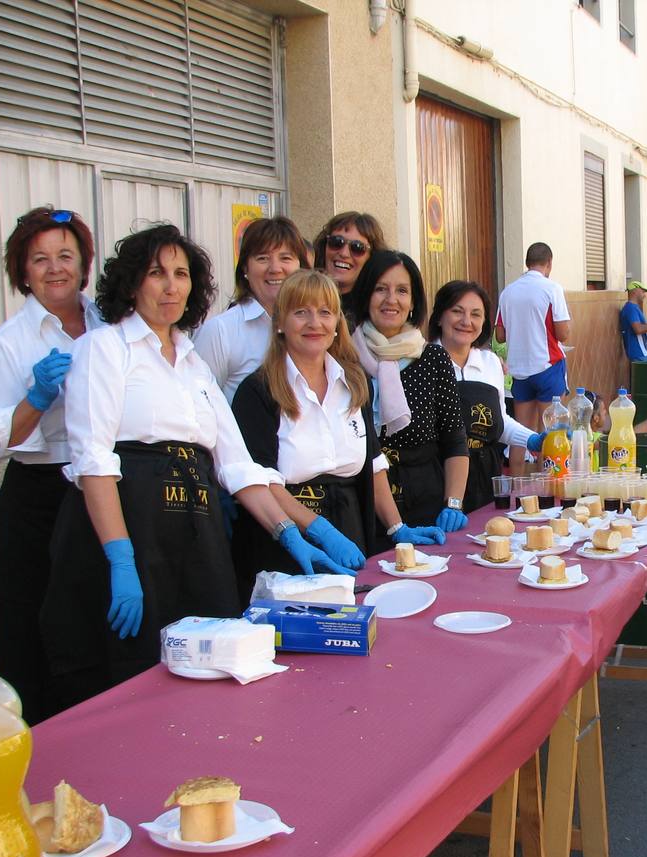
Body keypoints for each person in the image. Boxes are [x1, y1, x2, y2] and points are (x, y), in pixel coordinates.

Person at [41, 225, 346, 714]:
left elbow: (237, 466)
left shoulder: (193, 362)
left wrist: (296, 531)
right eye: (156, 273)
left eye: (181, 274)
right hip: (125, 530)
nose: (170, 286)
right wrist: (121, 562)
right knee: (127, 676)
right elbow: (93, 463)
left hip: (194, 534)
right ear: (132, 283)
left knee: (208, 670)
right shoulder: (104, 349)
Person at [231, 270, 444, 602]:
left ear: (336, 325)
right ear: (280, 323)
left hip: (350, 528)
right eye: (301, 312)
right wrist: (320, 531)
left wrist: (396, 528)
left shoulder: (354, 383)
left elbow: (373, 463)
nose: (314, 322)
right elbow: (262, 482)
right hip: (286, 539)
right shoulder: (257, 391)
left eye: (325, 312)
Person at [0, 207, 102, 724]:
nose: (55, 269)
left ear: (83, 263)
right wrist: (35, 397)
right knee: (31, 630)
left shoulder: (106, 324)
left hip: (99, 488)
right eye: (40, 259)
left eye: (65, 256)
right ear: (22, 270)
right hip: (38, 496)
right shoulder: (10, 343)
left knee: (93, 625)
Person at [351, 250, 469, 531]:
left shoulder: (433, 358)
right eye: (381, 289)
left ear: (413, 301)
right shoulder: (344, 356)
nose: (392, 299)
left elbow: (454, 439)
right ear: (366, 294)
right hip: (361, 500)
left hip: (423, 496)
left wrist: (453, 503)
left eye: (402, 291)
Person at [428, 279, 544, 511]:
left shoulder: (490, 363)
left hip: (485, 478)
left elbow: (497, 423)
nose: (466, 321)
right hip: (437, 478)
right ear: (440, 317)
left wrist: (533, 439)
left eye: (476, 314)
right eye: (457, 311)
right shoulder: (422, 362)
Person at [194, 216, 310, 403]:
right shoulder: (221, 331)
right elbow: (200, 405)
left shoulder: (317, 328)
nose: (275, 268)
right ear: (245, 269)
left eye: (285, 258)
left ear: (301, 267)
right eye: (262, 258)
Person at [495, 242, 571, 471]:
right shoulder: (551, 288)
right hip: (547, 366)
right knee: (551, 432)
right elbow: (563, 334)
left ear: (527, 263)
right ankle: (548, 489)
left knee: (521, 434)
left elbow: (499, 335)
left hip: (520, 371)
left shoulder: (508, 291)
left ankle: (516, 492)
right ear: (549, 263)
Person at [312, 211, 388, 325]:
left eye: (357, 247)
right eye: (337, 242)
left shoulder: (378, 310)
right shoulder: (302, 297)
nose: (344, 253)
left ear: (372, 257)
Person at [619, 280, 647, 362]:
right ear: (635, 291)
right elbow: (638, 329)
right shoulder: (631, 308)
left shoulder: (634, 308)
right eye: (642, 292)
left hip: (643, 351)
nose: (644, 295)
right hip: (638, 352)